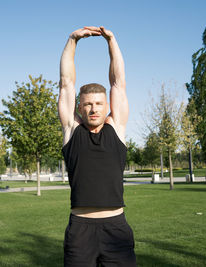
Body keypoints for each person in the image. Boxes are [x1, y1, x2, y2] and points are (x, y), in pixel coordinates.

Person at [59, 26, 136, 266]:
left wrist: (111, 41)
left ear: (107, 105)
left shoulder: (117, 128)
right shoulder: (72, 130)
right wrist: (72, 40)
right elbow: (66, 83)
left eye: (99, 103)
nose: (94, 109)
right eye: (88, 104)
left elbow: (118, 83)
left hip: (116, 228)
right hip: (80, 231)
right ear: (80, 107)